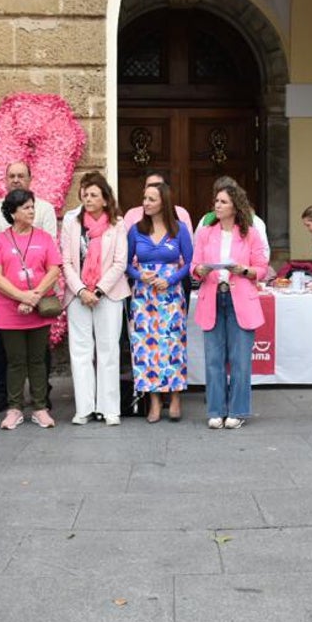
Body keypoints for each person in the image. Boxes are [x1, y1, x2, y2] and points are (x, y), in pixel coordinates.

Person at [192, 181, 267, 429]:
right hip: (213, 296)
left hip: (240, 298)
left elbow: (262, 269)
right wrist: (200, 270)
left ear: (236, 206)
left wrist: (243, 270)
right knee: (213, 358)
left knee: (240, 358)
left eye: (223, 202)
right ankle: (215, 410)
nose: (218, 205)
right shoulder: (205, 233)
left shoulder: (250, 233)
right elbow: (194, 266)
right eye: (216, 201)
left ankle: (238, 410)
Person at [0, 188, 62, 430]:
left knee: (38, 360)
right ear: (13, 212)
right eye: (26, 207)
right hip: (9, 312)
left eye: (33, 206)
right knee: (15, 361)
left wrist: (35, 296)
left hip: (38, 309)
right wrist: (22, 296)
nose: (32, 211)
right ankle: (14, 408)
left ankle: (40, 408)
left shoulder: (44, 238)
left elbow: (54, 270)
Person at [61, 172, 128, 426]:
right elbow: (66, 260)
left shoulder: (117, 224)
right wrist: (81, 291)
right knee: (80, 351)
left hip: (108, 294)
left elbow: (120, 262)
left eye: (93, 195)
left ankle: (109, 408)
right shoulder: (71, 221)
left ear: (104, 198)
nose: (87, 199)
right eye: (85, 194)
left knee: (108, 350)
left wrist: (98, 290)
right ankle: (84, 408)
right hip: (78, 294)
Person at [127, 180, 193, 423]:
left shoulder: (180, 229)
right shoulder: (135, 230)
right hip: (144, 297)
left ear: (163, 202)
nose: (145, 203)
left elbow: (189, 262)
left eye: (151, 199)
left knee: (172, 345)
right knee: (147, 348)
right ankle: (154, 400)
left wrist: (172, 278)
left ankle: (175, 396)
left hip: (171, 294)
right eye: (144, 199)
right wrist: (138, 275)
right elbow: (124, 263)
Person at [122, 170, 193, 232]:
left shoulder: (181, 213)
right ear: (144, 190)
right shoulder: (131, 215)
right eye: (149, 186)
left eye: (157, 186)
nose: (153, 189)